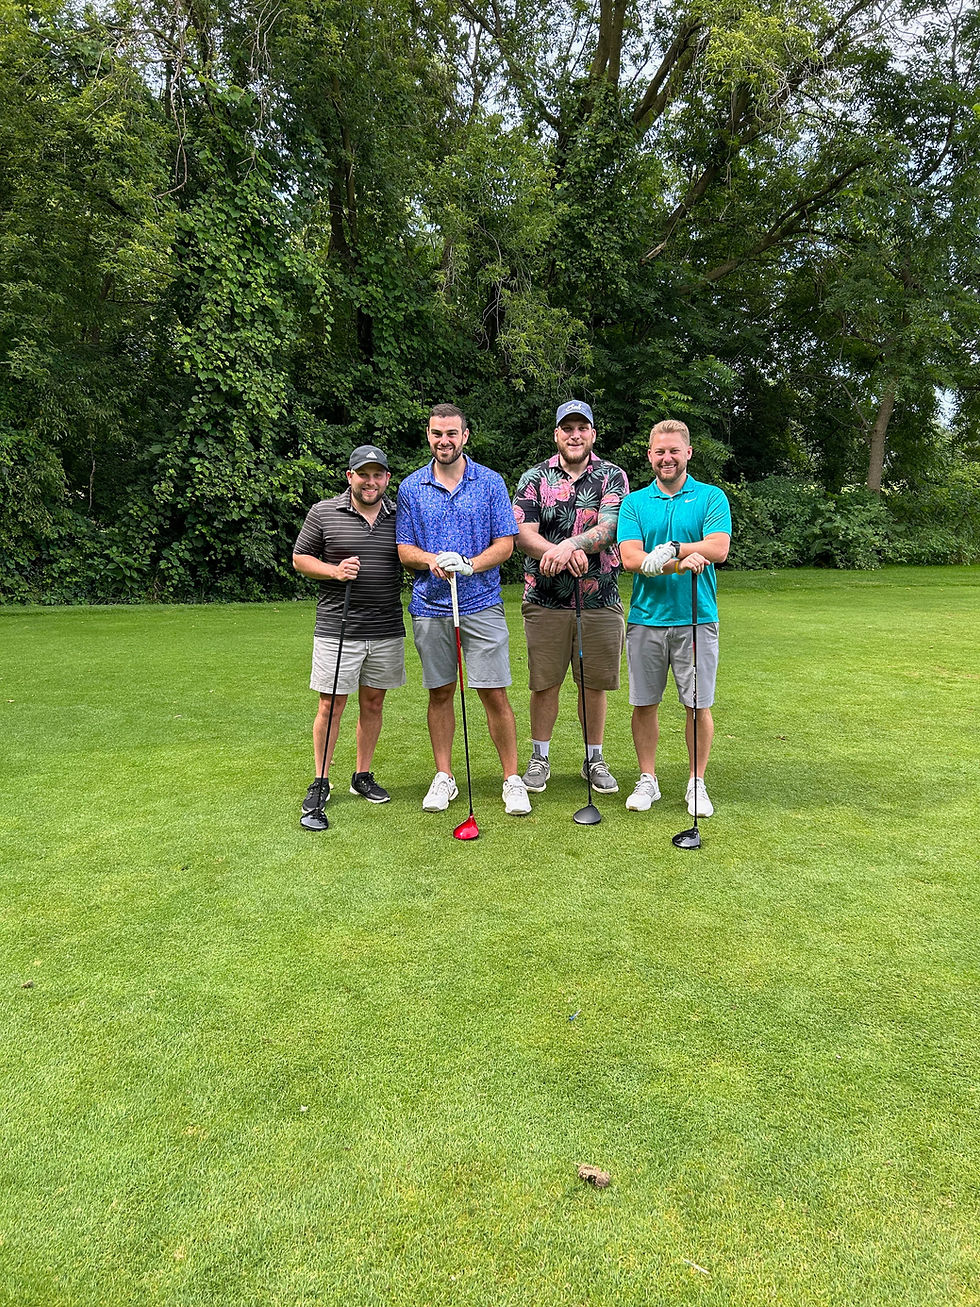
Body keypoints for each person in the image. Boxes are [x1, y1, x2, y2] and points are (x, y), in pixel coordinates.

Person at [395, 403, 531, 816]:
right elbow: (404, 549)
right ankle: (444, 777)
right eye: (437, 433)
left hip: (482, 603)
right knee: (440, 692)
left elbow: (505, 543)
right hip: (430, 606)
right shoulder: (410, 487)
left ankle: (511, 778)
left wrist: (471, 564)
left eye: (452, 433)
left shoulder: (489, 482)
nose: (444, 441)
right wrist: (431, 559)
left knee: (493, 691)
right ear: (428, 435)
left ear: (465, 435)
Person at [512, 400, 629, 794]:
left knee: (593, 684)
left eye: (582, 428)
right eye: (567, 428)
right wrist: (557, 552)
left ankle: (594, 758)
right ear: (557, 434)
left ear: (592, 434)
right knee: (544, 682)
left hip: (599, 599)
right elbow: (521, 532)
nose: (574, 435)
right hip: (545, 599)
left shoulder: (612, 475)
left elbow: (611, 526)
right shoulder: (533, 478)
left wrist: (570, 546)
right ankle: (539, 757)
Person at [616, 419, 732, 816]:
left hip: (697, 617)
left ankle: (696, 783)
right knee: (644, 703)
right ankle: (648, 779)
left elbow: (718, 548)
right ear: (650, 455)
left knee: (698, 704)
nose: (667, 458)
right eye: (659, 451)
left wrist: (674, 547)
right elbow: (631, 559)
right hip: (647, 617)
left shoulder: (710, 497)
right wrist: (679, 563)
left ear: (688, 453)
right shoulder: (635, 503)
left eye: (674, 451)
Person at [292, 444, 406, 813]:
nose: (370, 482)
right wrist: (334, 570)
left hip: (386, 626)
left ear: (387, 478)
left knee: (373, 703)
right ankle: (321, 779)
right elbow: (300, 558)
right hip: (336, 626)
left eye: (377, 475)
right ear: (350, 476)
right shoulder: (324, 511)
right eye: (363, 474)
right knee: (331, 704)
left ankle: (362, 775)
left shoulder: (401, 515)